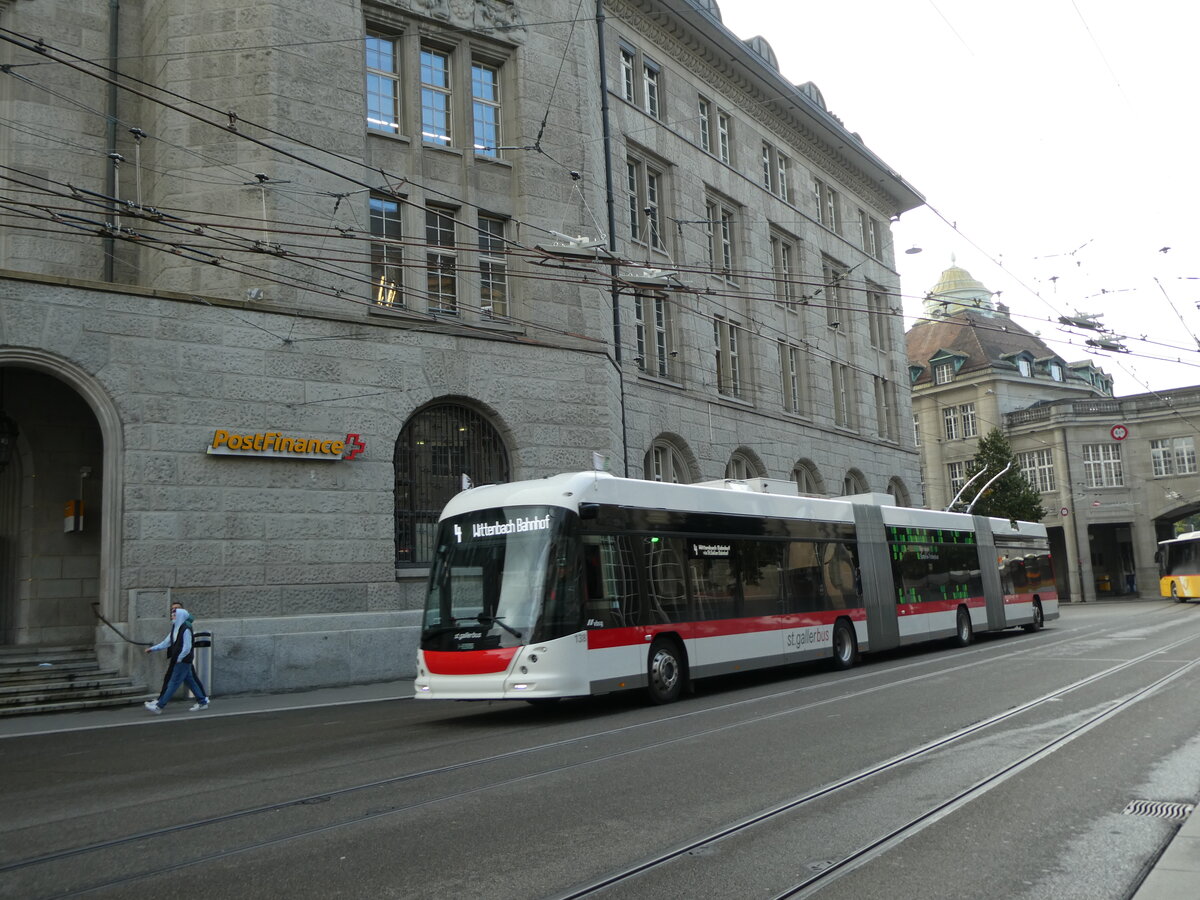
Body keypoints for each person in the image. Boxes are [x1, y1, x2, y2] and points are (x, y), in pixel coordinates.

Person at [144, 603, 210, 714]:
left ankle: (159, 706)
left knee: (173, 683)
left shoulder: (185, 628)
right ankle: (202, 701)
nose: (172, 616)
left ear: (180, 616)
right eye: (172, 614)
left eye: (174, 615)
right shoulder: (177, 628)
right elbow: (167, 642)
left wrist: (179, 658)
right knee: (190, 681)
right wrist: (153, 649)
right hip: (181, 660)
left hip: (182, 660)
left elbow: (187, 647)